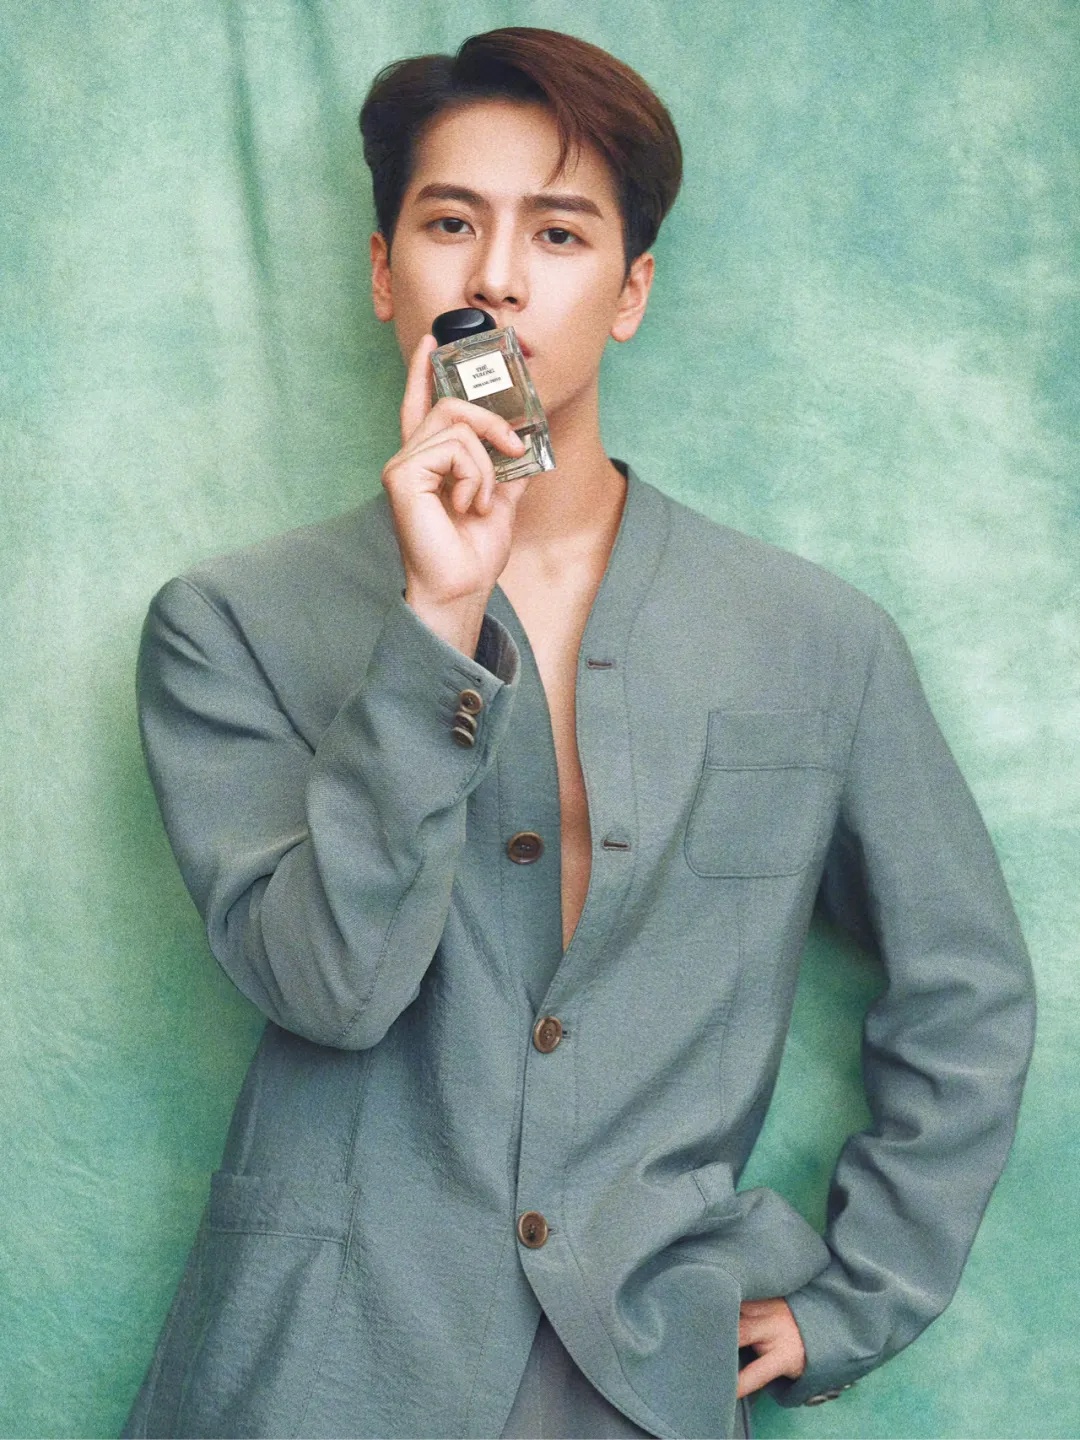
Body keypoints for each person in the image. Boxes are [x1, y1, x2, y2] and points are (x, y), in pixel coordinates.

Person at [123, 27, 1035, 1440]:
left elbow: (965, 991)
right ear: (385, 274)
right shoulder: (229, 624)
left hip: (641, 1372)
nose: (497, 275)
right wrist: (437, 619)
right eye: (450, 223)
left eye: (558, 232)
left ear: (630, 291)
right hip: (316, 1369)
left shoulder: (816, 639)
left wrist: (859, 1297)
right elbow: (330, 991)